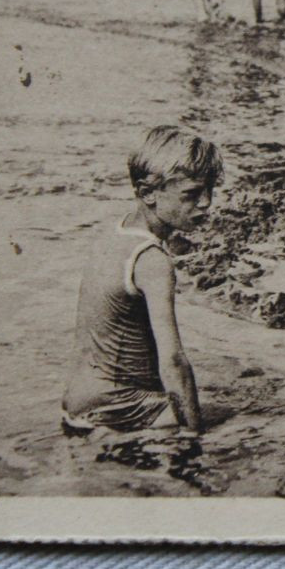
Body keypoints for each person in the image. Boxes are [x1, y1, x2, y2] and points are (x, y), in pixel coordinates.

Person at [61, 126, 222, 436]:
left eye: (210, 190)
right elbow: (174, 361)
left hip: (77, 403)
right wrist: (193, 437)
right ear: (148, 194)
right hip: (120, 410)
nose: (206, 203)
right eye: (191, 194)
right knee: (251, 423)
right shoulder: (153, 261)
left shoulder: (115, 233)